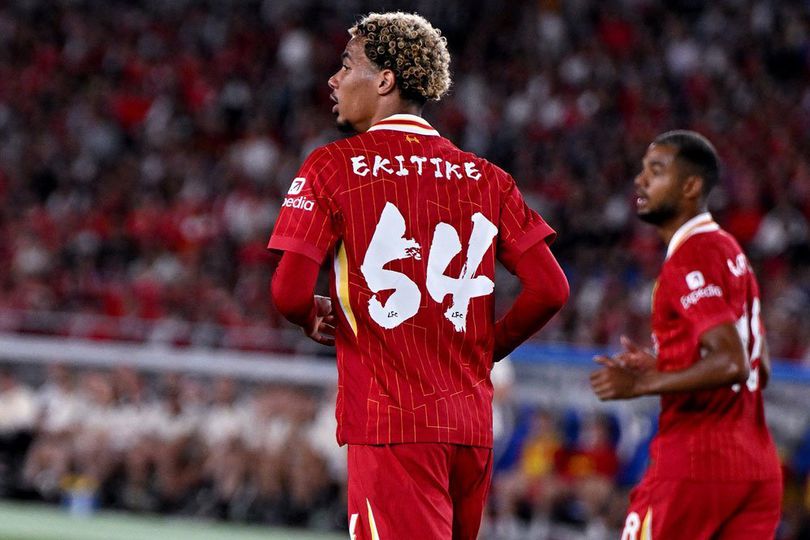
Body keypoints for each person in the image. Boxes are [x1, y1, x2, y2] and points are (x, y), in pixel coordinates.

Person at [268, 11, 569, 539]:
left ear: (385, 80)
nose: (334, 79)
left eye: (347, 65)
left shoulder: (332, 166)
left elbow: (288, 293)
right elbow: (550, 289)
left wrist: (307, 314)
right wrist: (486, 350)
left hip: (391, 423)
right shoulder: (488, 178)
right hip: (470, 427)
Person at [589, 131, 782, 539]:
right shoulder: (731, 253)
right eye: (643, 170)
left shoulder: (690, 257)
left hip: (696, 463)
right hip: (757, 466)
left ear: (691, 186)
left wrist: (643, 383)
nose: (640, 180)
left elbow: (732, 362)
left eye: (656, 170)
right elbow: (758, 364)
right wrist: (669, 363)